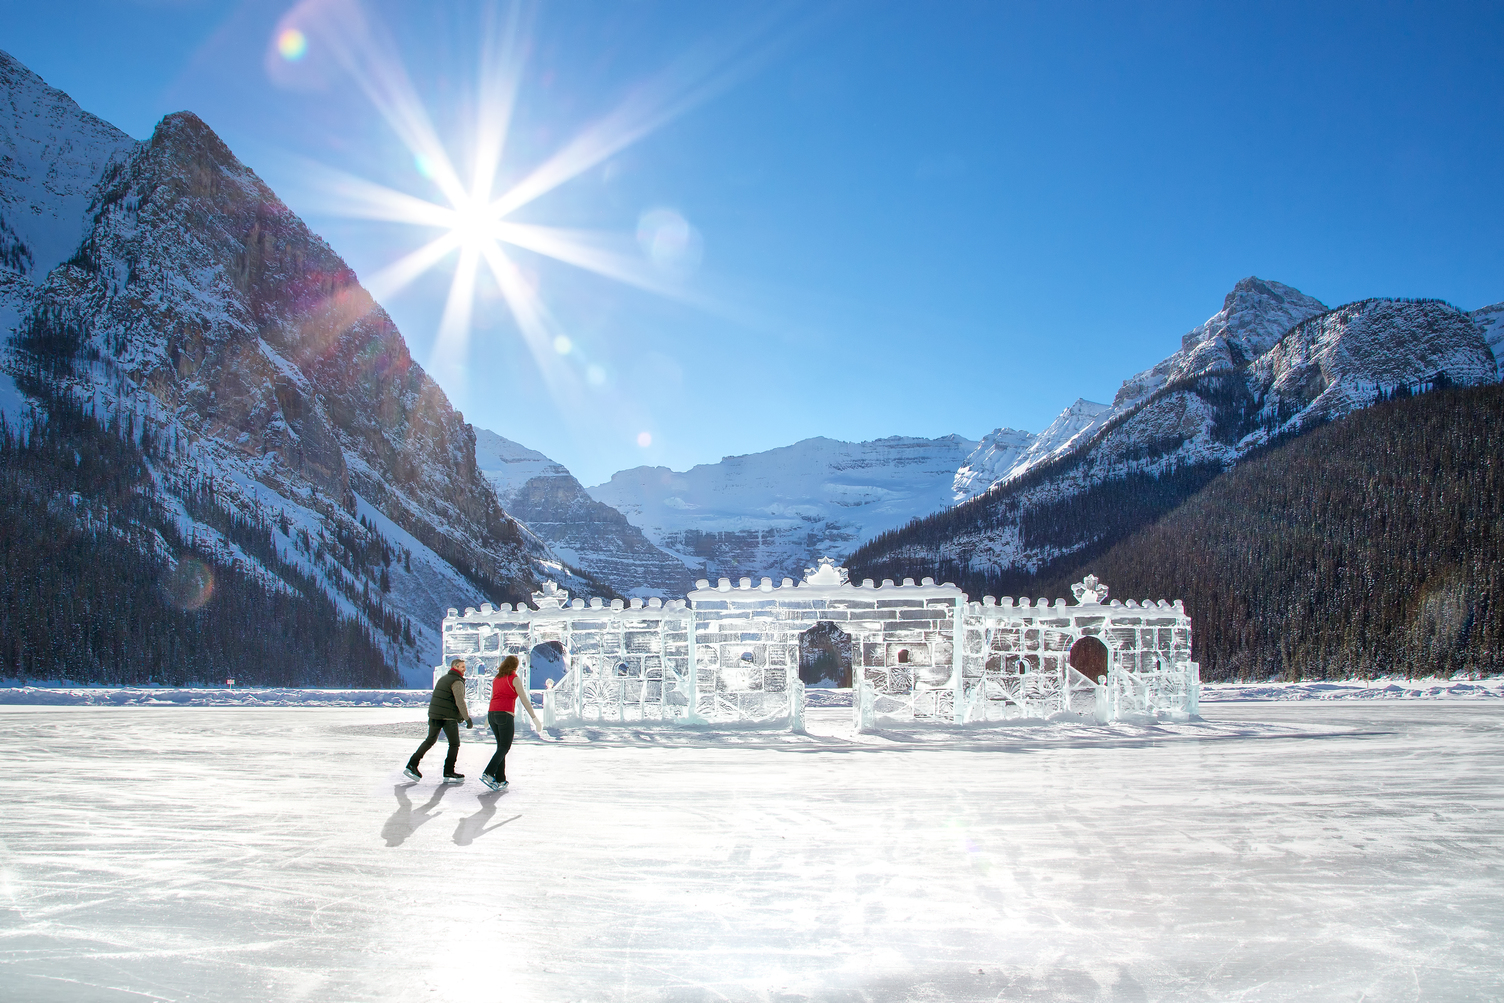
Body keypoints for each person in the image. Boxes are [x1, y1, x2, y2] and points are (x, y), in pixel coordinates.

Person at [404, 657, 473, 783]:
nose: (465, 669)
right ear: (455, 667)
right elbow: (459, 701)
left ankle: (412, 764)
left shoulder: (444, 679)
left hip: (435, 715)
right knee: (454, 744)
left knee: (430, 740)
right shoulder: (457, 681)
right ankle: (448, 771)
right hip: (447, 718)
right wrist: (466, 718)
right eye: (462, 667)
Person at [481, 654, 542, 791]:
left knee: (500, 747)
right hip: (505, 714)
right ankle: (489, 772)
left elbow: (493, 697)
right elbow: (524, 699)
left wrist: (487, 719)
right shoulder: (514, 679)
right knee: (505, 746)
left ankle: (501, 779)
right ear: (515, 666)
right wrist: (534, 717)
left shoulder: (496, 679)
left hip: (492, 714)